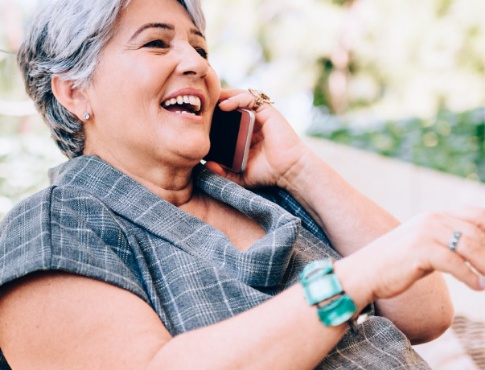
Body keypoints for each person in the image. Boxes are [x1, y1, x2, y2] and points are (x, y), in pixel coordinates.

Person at [0, 0, 484, 368]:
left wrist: (300, 170)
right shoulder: (50, 227)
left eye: (200, 47)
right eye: (156, 42)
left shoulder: (260, 193)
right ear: (74, 90)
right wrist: (355, 280)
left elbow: (426, 315)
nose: (197, 64)